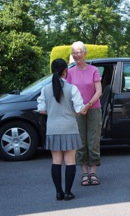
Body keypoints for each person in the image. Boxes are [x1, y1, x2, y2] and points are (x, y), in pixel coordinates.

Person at [37, 58, 86, 201]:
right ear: (66, 71)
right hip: (70, 128)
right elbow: (79, 109)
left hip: (52, 129)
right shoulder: (72, 88)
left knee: (56, 161)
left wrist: (53, 112)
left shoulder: (45, 89)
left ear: (52, 70)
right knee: (70, 161)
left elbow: (41, 109)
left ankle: (58, 193)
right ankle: (68, 192)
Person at [67, 41, 102, 186]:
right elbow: (68, 92)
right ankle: (84, 173)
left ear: (85, 53)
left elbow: (98, 91)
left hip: (93, 108)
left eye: (78, 52)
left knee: (93, 140)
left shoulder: (94, 70)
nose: (76, 55)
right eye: (73, 52)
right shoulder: (69, 72)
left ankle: (93, 172)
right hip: (77, 111)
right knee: (80, 141)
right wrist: (77, 108)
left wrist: (87, 105)